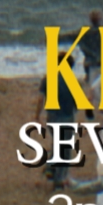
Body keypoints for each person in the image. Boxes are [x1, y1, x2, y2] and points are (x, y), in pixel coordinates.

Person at [34, 52, 79, 191]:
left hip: (52, 116)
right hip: (67, 116)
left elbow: (40, 99)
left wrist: (37, 115)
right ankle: (59, 179)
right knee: (65, 148)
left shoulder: (48, 78)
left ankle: (50, 167)